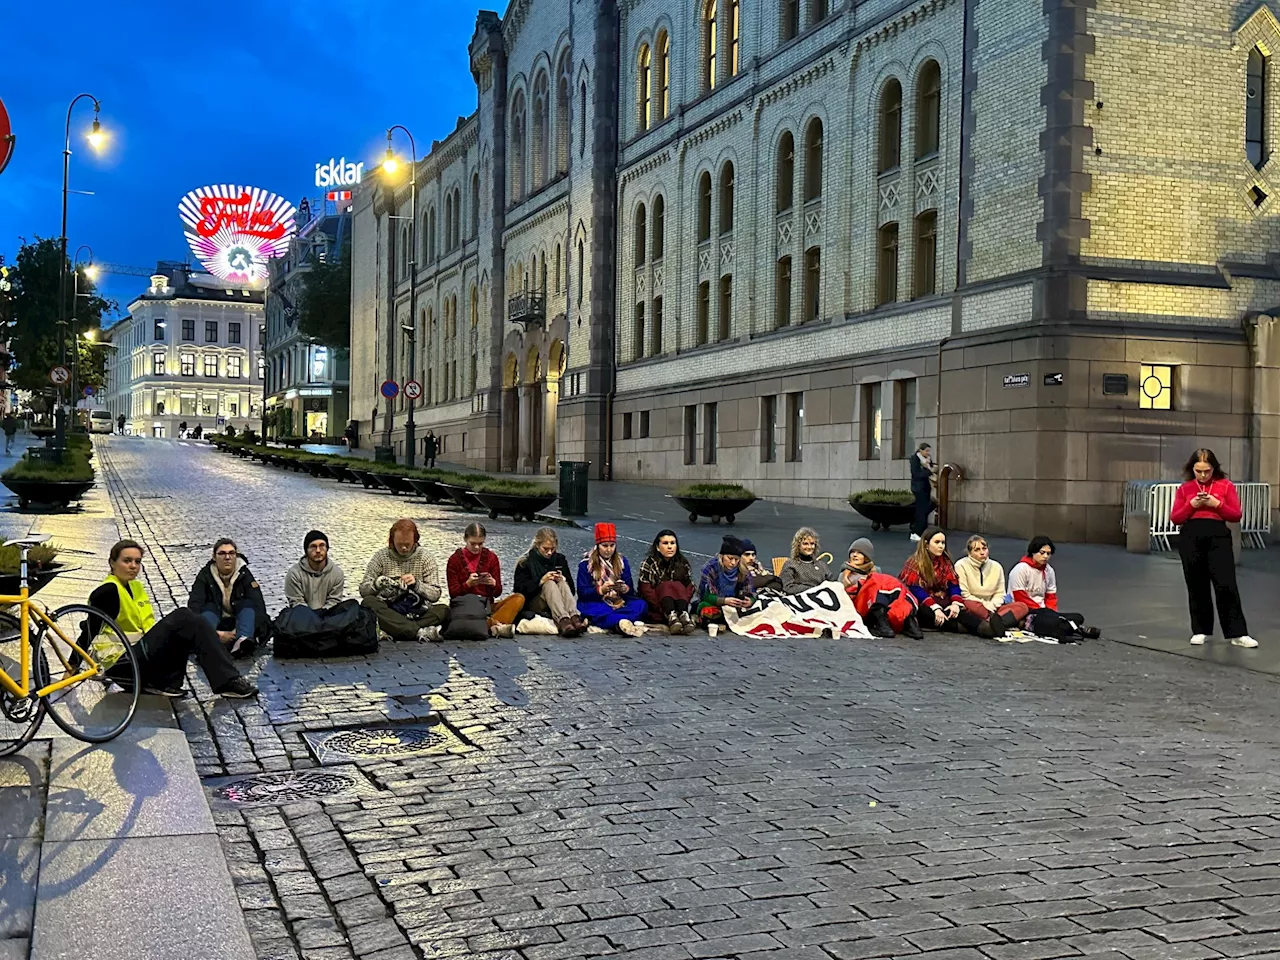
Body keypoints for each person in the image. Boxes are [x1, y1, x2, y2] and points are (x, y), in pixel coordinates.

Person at [88, 539, 258, 698]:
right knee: (183, 616)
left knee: (192, 623)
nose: (133, 566)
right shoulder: (108, 590)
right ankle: (227, 681)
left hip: (141, 660)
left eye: (137, 562)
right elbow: (89, 629)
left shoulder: (135, 586)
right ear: (112, 563)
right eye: (127, 561)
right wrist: (72, 667)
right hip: (121, 664)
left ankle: (166, 683)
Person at [1169, 447, 1256, 647]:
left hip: (1218, 536)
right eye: (1198, 471)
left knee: (1226, 584)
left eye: (1206, 471)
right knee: (1196, 584)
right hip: (1191, 536)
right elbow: (1176, 517)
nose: (1202, 475)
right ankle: (1201, 630)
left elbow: (1235, 514)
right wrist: (1192, 505)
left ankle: (1237, 633)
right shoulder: (1185, 489)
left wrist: (1216, 504)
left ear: (1213, 469)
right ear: (1192, 469)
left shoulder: (1225, 486)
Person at [359, 519, 449, 642]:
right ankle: (418, 632)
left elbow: (435, 594)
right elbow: (363, 590)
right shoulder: (381, 556)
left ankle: (396, 629)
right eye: (400, 544)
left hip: (418, 611)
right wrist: (376, 584)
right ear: (392, 541)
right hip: (389, 609)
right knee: (368, 602)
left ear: (415, 540)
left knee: (443, 610)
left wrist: (417, 584)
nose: (404, 548)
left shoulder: (425, 557)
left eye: (408, 544)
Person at [899, 527, 994, 636]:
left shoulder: (945, 561)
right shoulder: (915, 562)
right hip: (920, 602)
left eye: (943, 543)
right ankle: (965, 628)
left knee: (957, 612)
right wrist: (935, 607)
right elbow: (915, 589)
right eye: (937, 542)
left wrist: (955, 603)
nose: (941, 546)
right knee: (929, 614)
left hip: (941, 599)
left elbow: (953, 584)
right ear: (926, 544)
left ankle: (985, 628)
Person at [186, 538, 271, 658]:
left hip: (240, 624)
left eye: (231, 553)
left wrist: (236, 632)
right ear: (214, 557)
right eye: (222, 553)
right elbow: (194, 606)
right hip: (215, 623)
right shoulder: (205, 576)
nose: (227, 557)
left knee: (247, 605)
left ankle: (243, 641)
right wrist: (216, 634)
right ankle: (208, 639)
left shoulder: (244, 575)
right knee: (208, 608)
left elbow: (259, 607)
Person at [1009, 536, 1102, 641]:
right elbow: (1020, 597)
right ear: (1033, 552)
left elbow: (1051, 596)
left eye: (1048, 554)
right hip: (1027, 611)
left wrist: (1052, 612)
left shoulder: (1049, 570)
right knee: (1051, 621)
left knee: (1078, 617)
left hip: (1046, 611)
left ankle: (1068, 627)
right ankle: (1076, 629)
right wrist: (1044, 611)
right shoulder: (1021, 569)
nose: (1045, 556)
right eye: (1042, 552)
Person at [445, 522, 523, 637]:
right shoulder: (454, 560)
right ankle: (493, 625)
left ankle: (486, 624)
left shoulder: (491, 558)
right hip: (466, 607)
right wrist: (468, 584)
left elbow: (498, 592)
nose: (477, 547)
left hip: (486, 606)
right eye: (473, 544)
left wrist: (493, 583)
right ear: (465, 539)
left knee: (518, 598)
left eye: (480, 544)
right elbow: (453, 593)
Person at [840, 537, 923, 639]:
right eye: (853, 552)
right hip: (861, 606)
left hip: (881, 603)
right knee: (876, 582)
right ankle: (896, 620)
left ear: (866, 556)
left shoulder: (876, 570)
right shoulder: (845, 574)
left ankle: (906, 620)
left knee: (896, 591)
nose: (855, 555)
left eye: (859, 552)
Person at [576, 523, 647, 636]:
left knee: (640, 605)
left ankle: (615, 621)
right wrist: (600, 590)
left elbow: (631, 591)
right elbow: (582, 592)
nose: (609, 550)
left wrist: (624, 588)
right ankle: (620, 622)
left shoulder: (622, 562)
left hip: (619, 601)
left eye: (612, 545)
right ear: (598, 545)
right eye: (605, 546)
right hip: (596, 601)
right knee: (600, 610)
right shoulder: (586, 564)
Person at [512, 527, 584, 636]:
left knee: (562, 583)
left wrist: (564, 579)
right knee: (549, 583)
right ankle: (563, 620)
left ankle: (574, 616)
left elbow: (572, 590)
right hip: (534, 601)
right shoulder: (525, 562)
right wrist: (541, 581)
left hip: (559, 601)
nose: (549, 552)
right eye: (545, 549)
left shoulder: (560, 559)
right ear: (538, 545)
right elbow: (519, 591)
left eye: (552, 549)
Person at [955, 535, 1026, 631]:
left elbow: (1000, 593)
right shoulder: (961, 565)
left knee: (1022, 607)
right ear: (969, 552)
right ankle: (1000, 623)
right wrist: (984, 606)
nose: (982, 552)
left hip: (994, 608)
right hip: (974, 606)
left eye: (984, 548)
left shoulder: (997, 566)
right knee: (968, 604)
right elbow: (964, 594)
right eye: (977, 550)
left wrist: (992, 606)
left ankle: (994, 623)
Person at [638, 529, 696, 635]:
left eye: (672, 543)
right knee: (666, 585)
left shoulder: (682, 563)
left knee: (677, 585)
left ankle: (683, 615)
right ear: (657, 547)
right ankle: (671, 616)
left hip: (679, 604)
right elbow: (646, 590)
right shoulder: (648, 564)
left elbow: (689, 588)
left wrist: (681, 606)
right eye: (665, 543)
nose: (670, 547)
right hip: (658, 607)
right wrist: (663, 609)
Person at [697, 536, 756, 626]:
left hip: (735, 604)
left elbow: (751, 592)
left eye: (736, 560)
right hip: (715, 602)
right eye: (730, 558)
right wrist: (724, 601)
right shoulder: (711, 567)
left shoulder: (743, 570)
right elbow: (705, 595)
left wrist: (750, 601)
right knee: (706, 607)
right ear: (722, 556)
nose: (733, 563)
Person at [284, 530, 346, 610]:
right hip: (303, 616)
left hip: (329, 615)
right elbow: (296, 602)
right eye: (313, 547)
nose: (318, 550)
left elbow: (334, 601)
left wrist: (322, 614)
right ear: (306, 550)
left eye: (322, 546)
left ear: (327, 548)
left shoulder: (337, 573)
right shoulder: (294, 573)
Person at [779, 527, 833, 594]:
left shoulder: (821, 565)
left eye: (812, 543)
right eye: (805, 544)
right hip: (799, 600)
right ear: (798, 546)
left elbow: (831, 584)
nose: (809, 547)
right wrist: (813, 588)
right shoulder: (791, 564)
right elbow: (787, 588)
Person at [909, 442, 935, 541]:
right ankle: (916, 531)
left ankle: (923, 532)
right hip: (918, 487)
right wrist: (929, 471)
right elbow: (916, 473)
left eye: (929, 451)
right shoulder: (915, 459)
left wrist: (931, 469)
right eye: (926, 451)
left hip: (926, 486)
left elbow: (931, 469)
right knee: (921, 510)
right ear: (921, 450)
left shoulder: (928, 459)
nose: (928, 453)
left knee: (925, 510)